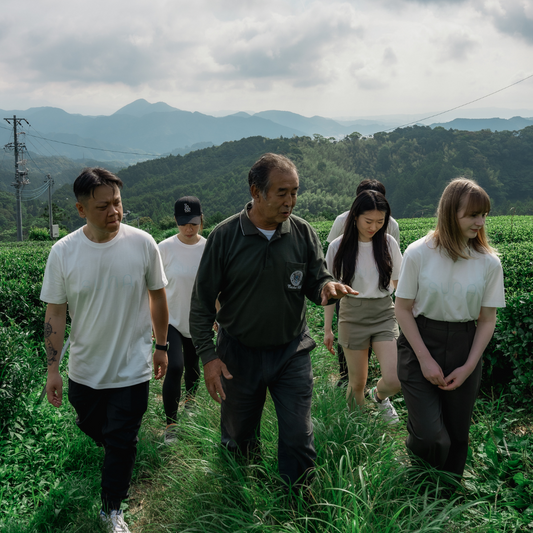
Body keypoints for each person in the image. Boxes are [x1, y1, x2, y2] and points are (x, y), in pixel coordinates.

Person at [189, 153, 356, 489]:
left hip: (290, 352)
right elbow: (201, 303)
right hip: (238, 354)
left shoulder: (302, 232)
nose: (290, 201)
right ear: (256, 191)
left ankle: (297, 503)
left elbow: (315, 280)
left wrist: (327, 287)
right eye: (281, 192)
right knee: (238, 438)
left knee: (298, 435)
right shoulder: (226, 237)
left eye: (294, 192)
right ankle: (239, 496)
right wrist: (209, 357)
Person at [41, 167, 169, 533]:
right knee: (94, 427)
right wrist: (53, 370)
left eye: (117, 203)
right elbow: (55, 313)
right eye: (103, 207)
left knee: (122, 441)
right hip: (85, 370)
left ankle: (112, 510)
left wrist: (162, 345)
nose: (114, 213)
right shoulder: (63, 252)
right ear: (81, 210)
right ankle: (114, 448)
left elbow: (158, 296)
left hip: (132, 368)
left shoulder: (143, 243)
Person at [395, 177, 505, 478]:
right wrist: (425, 358)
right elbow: (402, 310)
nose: (480, 222)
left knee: (457, 435)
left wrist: (470, 365)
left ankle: (447, 495)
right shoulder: (418, 252)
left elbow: (486, 319)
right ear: (449, 213)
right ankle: (420, 478)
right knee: (430, 434)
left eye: (484, 214)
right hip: (420, 341)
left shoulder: (489, 262)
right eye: (472, 215)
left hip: (464, 345)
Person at [324, 190, 402, 423]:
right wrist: (328, 328)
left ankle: (378, 396)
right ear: (355, 216)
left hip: (383, 313)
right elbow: (330, 293)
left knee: (395, 378)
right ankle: (356, 430)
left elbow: (399, 283)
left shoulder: (388, 243)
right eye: (369, 221)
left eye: (380, 222)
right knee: (356, 382)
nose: (374, 227)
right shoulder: (337, 247)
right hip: (352, 314)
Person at [158, 196, 206, 443]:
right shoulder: (164, 248)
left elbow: (214, 287)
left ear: (201, 221)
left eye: (194, 223)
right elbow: (153, 289)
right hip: (171, 318)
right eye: (184, 223)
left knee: (193, 365)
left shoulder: (208, 247)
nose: (189, 228)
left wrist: (216, 314)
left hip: (198, 319)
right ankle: (171, 425)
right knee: (175, 366)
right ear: (176, 221)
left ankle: (191, 401)